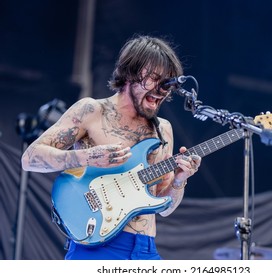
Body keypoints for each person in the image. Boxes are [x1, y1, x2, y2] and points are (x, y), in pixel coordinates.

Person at [21, 34, 201, 260]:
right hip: (96, 247)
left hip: (145, 249)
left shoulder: (163, 130)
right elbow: (30, 158)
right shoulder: (92, 111)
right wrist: (88, 156)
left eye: (168, 83)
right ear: (130, 73)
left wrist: (179, 180)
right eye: (156, 78)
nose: (163, 89)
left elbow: (165, 208)